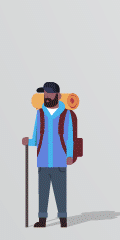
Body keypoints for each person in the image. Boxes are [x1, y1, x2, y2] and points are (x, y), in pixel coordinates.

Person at [24, 81, 79, 228]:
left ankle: (63, 219)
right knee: (42, 192)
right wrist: (28, 141)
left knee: (60, 192)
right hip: (42, 160)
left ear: (58, 95)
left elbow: (69, 137)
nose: (47, 96)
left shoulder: (66, 114)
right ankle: (42, 220)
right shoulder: (40, 113)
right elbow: (36, 137)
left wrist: (69, 155)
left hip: (59, 160)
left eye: (49, 93)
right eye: (45, 93)